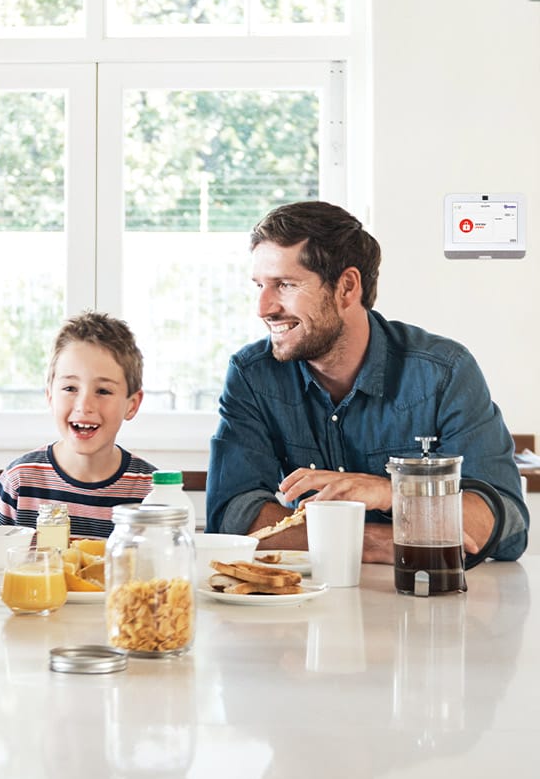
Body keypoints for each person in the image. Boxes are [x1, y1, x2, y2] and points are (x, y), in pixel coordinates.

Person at [206, 200, 528, 564]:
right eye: (260, 285)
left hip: (433, 604)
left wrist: (395, 493)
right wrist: (382, 543)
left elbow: (503, 525)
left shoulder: (444, 372)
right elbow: (234, 519)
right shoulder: (253, 375)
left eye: (284, 284)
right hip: (309, 602)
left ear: (346, 287)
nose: (263, 307)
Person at [0, 311, 156, 538]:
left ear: (132, 404)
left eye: (103, 391)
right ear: (50, 397)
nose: (84, 405)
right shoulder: (21, 480)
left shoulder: (152, 492)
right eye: (70, 388)